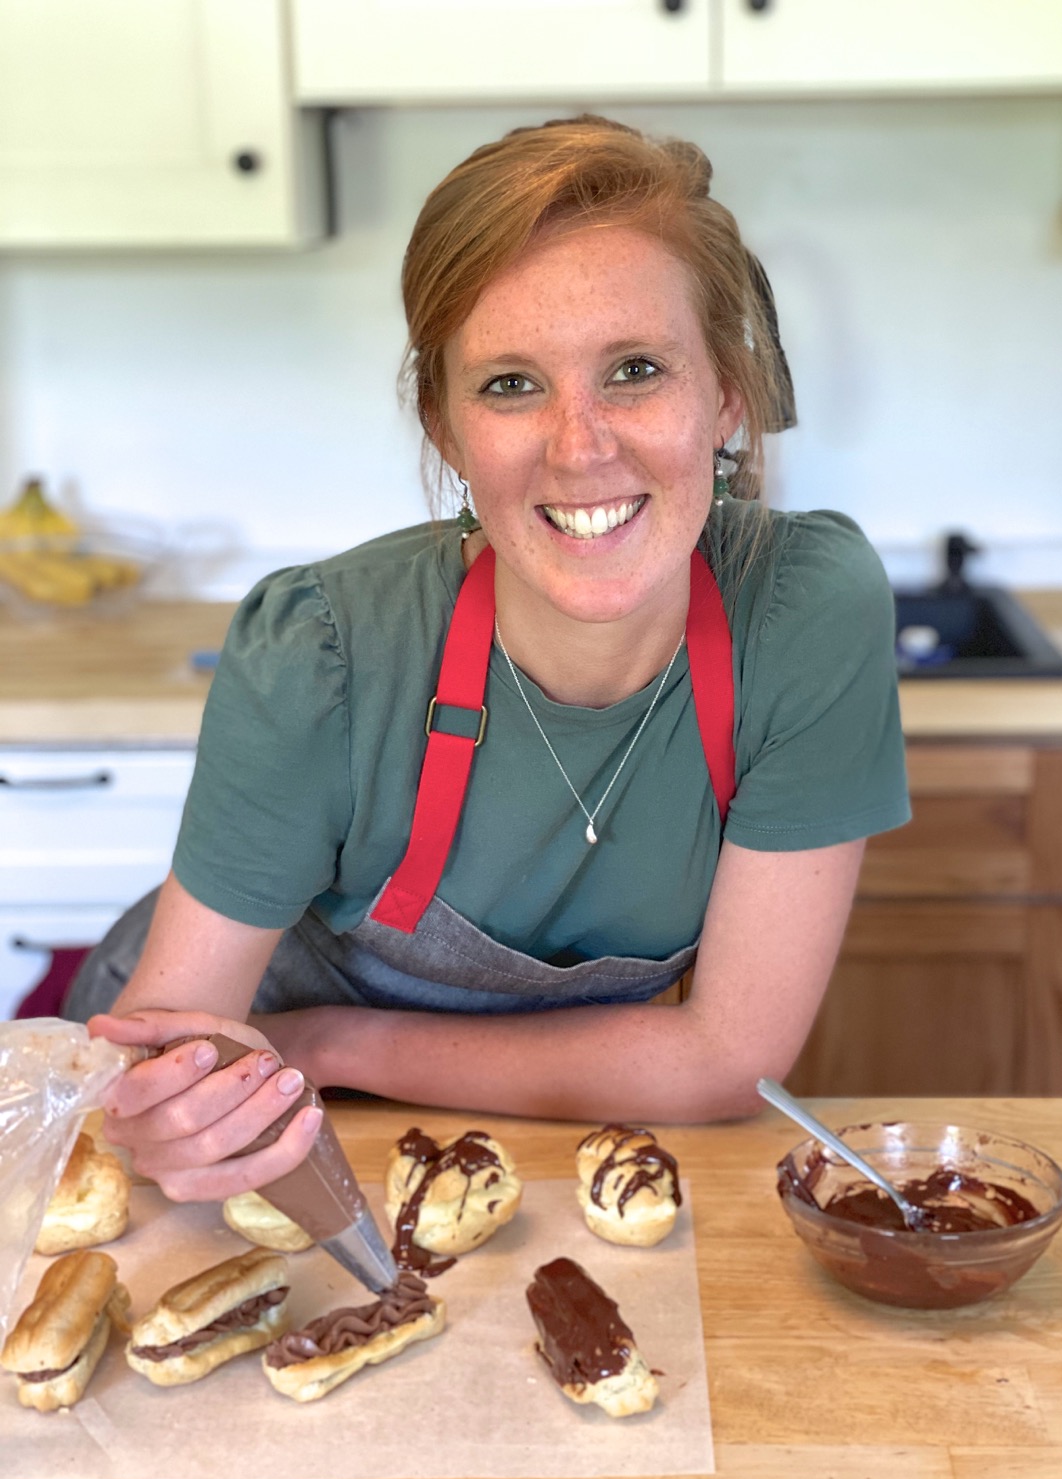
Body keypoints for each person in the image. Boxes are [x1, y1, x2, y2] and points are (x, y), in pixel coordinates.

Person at [67, 115, 909, 1204]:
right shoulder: (318, 651)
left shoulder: (805, 614)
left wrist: (332, 1042)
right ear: (447, 427)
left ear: (727, 393)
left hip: (436, 1095)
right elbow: (162, 1059)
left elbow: (724, 1059)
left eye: (637, 370)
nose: (580, 444)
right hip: (264, 1123)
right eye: (512, 384)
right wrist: (165, 1117)